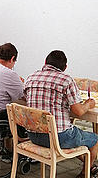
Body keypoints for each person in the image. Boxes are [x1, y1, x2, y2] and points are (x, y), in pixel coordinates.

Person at [24, 50, 98, 178]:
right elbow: (79, 111)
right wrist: (89, 104)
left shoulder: (31, 77)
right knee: (95, 139)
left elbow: (26, 99)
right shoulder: (66, 80)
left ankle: (89, 166)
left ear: (45, 62)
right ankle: (85, 173)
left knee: (77, 137)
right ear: (65, 67)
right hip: (58, 137)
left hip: (33, 135)